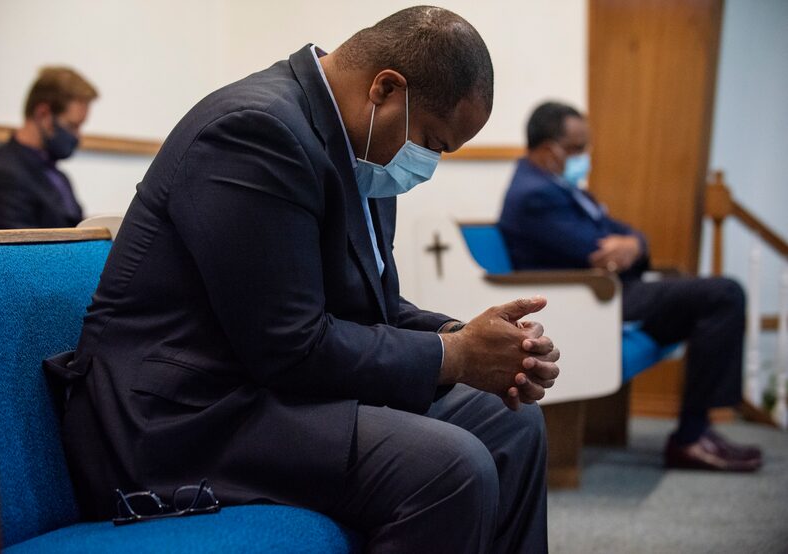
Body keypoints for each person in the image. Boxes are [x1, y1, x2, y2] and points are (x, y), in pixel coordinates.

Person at [44, 7, 560, 553]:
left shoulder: (359, 150)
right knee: (450, 468)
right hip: (184, 417)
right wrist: (454, 356)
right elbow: (290, 347)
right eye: (431, 141)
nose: (428, 163)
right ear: (385, 89)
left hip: (262, 391)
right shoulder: (254, 132)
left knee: (512, 427)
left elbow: (375, 309)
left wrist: (472, 339)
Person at [498, 101, 763, 472]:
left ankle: (695, 431)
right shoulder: (533, 195)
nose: (585, 157)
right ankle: (691, 437)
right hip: (582, 301)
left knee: (706, 304)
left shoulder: (560, 187)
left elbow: (623, 234)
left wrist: (634, 245)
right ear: (547, 150)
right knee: (723, 294)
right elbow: (594, 248)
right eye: (577, 149)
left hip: (605, 293)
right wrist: (624, 245)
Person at [0, 66, 97, 229]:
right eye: (72, 126)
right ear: (42, 114)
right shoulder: (4, 178)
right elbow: (22, 253)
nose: (78, 136)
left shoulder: (58, 176)